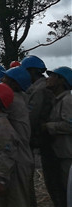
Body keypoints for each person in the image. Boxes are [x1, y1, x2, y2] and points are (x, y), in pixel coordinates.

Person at [0, 66, 35, 206]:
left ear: (15, 84)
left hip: (17, 156)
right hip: (22, 154)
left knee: (17, 198)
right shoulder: (22, 98)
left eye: (6, 79)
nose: (2, 80)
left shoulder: (12, 101)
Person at [42, 66, 72, 206]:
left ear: (61, 80)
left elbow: (69, 125)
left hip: (67, 155)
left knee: (68, 191)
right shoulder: (57, 100)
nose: (48, 79)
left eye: (52, 76)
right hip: (60, 153)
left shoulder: (67, 101)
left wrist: (48, 126)